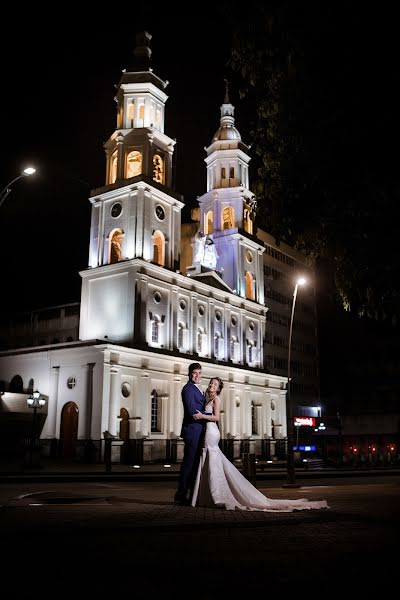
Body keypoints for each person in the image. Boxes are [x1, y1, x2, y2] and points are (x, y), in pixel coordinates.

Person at [191, 377, 329, 512]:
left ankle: (216, 494)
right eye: (211, 383)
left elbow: (216, 417)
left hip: (212, 431)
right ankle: (208, 493)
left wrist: (202, 416)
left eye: (215, 384)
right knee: (210, 458)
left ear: (218, 389)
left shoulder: (216, 399)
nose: (212, 385)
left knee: (212, 456)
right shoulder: (205, 396)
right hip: (206, 430)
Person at [174, 362, 206, 505]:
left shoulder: (197, 389)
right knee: (188, 464)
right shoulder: (188, 389)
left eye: (199, 373)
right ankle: (181, 494)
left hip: (198, 431)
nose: (197, 375)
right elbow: (192, 411)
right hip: (192, 431)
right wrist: (209, 415)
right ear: (189, 373)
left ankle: (192, 494)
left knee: (194, 465)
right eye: (194, 373)